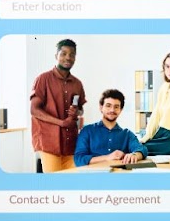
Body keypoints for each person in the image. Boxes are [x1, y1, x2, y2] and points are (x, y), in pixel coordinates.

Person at [29, 38, 86, 172]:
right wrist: (61, 122)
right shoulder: (43, 79)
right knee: (54, 184)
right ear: (56, 56)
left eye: (72, 54)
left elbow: (81, 110)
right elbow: (34, 109)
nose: (68, 57)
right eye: (63, 53)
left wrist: (77, 111)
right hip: (49, 143)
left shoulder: (77, 83)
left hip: (71, 144)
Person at [73, 89, 146, 167]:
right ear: (101, 108)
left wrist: (135, 155)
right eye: (108, 106)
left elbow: (142, 149)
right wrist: (107, 157)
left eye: (116, 107)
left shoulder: (127, 134)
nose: (112, 110)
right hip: (93, 176)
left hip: (118, 176)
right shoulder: (87, 131)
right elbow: (79, 159)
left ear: (120, 110)